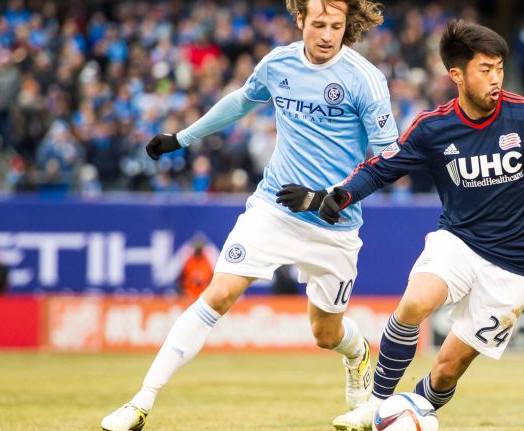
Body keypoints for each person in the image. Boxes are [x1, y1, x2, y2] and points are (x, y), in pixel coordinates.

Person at [101, 1, 398, 430]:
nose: (328, 35)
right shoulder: (278, 63)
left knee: (325, 333)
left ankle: (357, 353)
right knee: (218, 294)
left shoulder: (365, 80)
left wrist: (328, 198)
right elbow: (241, 102)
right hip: (273, 208)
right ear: (300, 21)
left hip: (335, 223)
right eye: (319, 24)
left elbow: (389, 158)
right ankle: (140, 403)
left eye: (336, 26)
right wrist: (182, 138)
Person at [286, 20, 524, 430]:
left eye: (499, 67)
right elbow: (380, 169)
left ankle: (412, 410)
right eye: (485, 69)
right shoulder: (433, 127)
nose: (496, 78)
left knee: (447, 371)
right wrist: (341, 194)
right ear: (457, 75)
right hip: (458, 241)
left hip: (515, 263)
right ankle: (375, 407)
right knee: (415, 302)